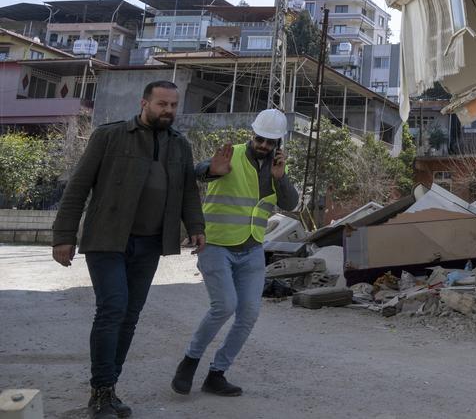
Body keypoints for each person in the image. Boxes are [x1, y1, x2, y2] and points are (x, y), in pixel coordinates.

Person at [51, 80, 206, 419]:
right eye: (162, 104)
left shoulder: (180, 145)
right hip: (108, 239)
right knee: (113, 309)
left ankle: (110, 390)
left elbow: (187, 192)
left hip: (150, 244)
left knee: (129, 317)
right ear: (144, 103)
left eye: (173, 105)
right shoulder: (110, 136)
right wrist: (64, 235)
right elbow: (78, 187)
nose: (168, 111)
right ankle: (101, 393)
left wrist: (196, 227)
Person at [171, 108, 299, 398]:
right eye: (260, 138)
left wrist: (280, 178)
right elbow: (198, 172)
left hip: (252, 248)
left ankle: (217, 374)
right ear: (252, 134)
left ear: (279, 142)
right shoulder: (231, 155)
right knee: (225, 306)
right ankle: (189, 362)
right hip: (216, 244)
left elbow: (290, 203)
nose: (264, 145)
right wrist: (210, 170)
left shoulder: (279, 167)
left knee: (249, 313)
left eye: (270, 141)